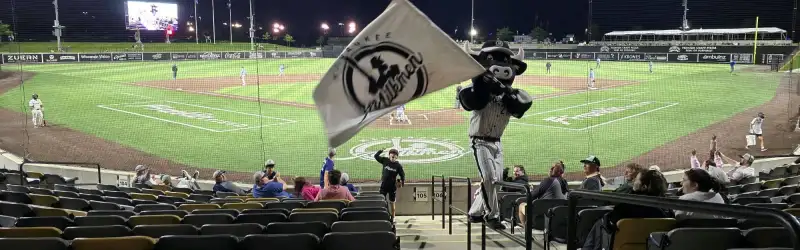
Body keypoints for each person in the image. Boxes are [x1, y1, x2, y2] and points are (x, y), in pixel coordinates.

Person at [459, 40, 532, 230]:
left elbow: (522, 105)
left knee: (495, 182)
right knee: (490, 178)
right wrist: (481, 82)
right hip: (479, 141)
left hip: (497, 143)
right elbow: (471, 100)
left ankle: (474, 213)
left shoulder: (511, 96)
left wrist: (505, 90)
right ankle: (492, 216)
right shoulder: (475, 92)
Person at [582, 170, 671, 250]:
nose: (633, 181)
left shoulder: (626, 208)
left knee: (600, 223)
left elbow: (609, 223)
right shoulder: (667, 211)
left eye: (636, 180)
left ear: (643, 187)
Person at [517, 161, 569, 228]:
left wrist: (530, 192)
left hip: (542, 221)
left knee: (521, 205)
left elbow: (531, 196)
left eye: (551, 168)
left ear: (552, 171)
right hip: (559, 221)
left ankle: (527, 234)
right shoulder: (565, 184)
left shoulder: (549, 181)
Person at [374, 148, 405, 218]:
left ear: (397, 157)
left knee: (392, 204)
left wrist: (402, 183)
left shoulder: (398, 166)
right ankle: (383, 216)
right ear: (389, 156)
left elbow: (402, 175)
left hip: (392, 187)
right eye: (392, 156)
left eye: (394, 156)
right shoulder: (385, 160)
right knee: (382, 202)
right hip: (384, 186)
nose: (393, 158)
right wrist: (380, 150)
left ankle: (393, 218)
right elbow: (376, 156)